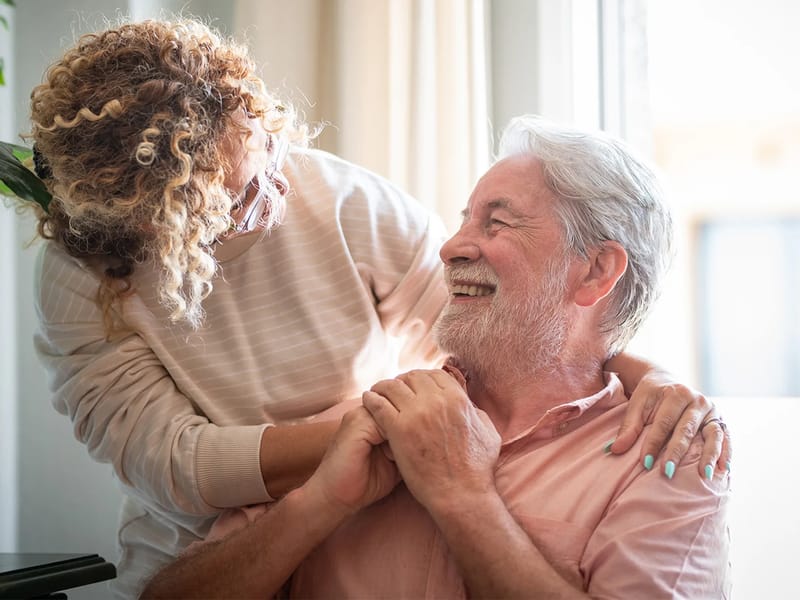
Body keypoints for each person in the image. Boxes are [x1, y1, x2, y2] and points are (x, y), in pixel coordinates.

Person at [27, 18, 727, 599]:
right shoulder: (81, 279)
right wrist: (354, 460)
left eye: (267, 146)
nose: (276, 187)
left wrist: (649, 376)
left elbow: (514, 321)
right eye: (238, 198)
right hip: (207, 537)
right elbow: (182, 467)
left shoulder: (344, 203)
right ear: (159, 221)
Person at [142, 115, 731, 599]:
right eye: (464, 220)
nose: (450, 247)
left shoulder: (671, 463)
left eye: (497, 223)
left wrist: (462, 496)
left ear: (597, 271)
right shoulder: (368, 423)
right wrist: (319, 504)